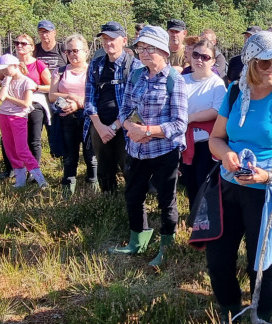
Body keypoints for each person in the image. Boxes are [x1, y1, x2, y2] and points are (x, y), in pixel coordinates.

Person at [208, 31, 272, 324]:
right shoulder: (235, 93)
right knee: (219, 257)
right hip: (229, 185)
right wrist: (226, 154)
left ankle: (261, 317)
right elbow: (216, 139)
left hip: (267, 192)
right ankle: (229, 308)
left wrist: (268, 175)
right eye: (266, 63)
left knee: (261, 262)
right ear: (250, 63)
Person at [108, 26, 188, 269]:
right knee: (133, 195)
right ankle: (137, 240)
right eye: (140, 48)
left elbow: (180, 123)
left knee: (167, 200)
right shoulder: (136, 76)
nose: (143, 53)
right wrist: (131, 130)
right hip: (136, 149)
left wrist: (149, 132)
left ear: (163, 51)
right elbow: (124, 108)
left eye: (149, 48)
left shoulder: (175, 81)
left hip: (164, 151)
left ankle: (167, 245)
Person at [84, 21, 141, 193]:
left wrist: (116, 126)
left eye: (113, 39)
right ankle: (109, 205)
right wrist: (100, 127)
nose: (108, 43)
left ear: (124, 40)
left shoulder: (135, 67)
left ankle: (134, 205)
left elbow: (136, 104)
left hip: (126, 126)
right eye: (105, 39)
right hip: (100, 125)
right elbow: (89, 99)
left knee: (129, 168)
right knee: (104, 170)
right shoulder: (95, 65)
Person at [0, 33, 51, 176]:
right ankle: (13, 169)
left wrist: (32, 87)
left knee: (33, 139)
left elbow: (50, 86)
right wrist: (11, 84)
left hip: (34, 104)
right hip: (12, 106)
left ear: (32, 47)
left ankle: (33, 171)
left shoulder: (38, 64)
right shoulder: (10, 63)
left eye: (24, 43)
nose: (19, 45)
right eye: (17, 42)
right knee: (8, 139)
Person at [181, 36, 226, 214]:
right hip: (185, 140)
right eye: (196, 55)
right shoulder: (181, 80)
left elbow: (217, 110)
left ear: (213, 61)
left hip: (207, 142)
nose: (199, 60)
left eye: (205, 57)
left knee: (204, 182)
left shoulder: (216, 84)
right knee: (190, 181)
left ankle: (208, 220)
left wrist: (191, 118)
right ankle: (193, 220)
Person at [48, 34, 97, 194]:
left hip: (90, 118)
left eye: (75, 50)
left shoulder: (94, 71)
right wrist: (69, 96)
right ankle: (68, 189)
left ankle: (93, 187)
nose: (72, 54)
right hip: (67, 119)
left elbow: (97, 96)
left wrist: (78, 103)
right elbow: (52, 95)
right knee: (70, 156)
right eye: (68, 51)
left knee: (91, 156)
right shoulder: (60, 72)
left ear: (85, 51)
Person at [35, 20, 66, 158]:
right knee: (37, 125)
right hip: (38, 94)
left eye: (47, 31)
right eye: (41, 32)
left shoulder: (63, 49)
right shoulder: (35, 50)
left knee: (57, 125)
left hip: (58, 94)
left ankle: (57, 155)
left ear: (54, 32)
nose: (44, 35)